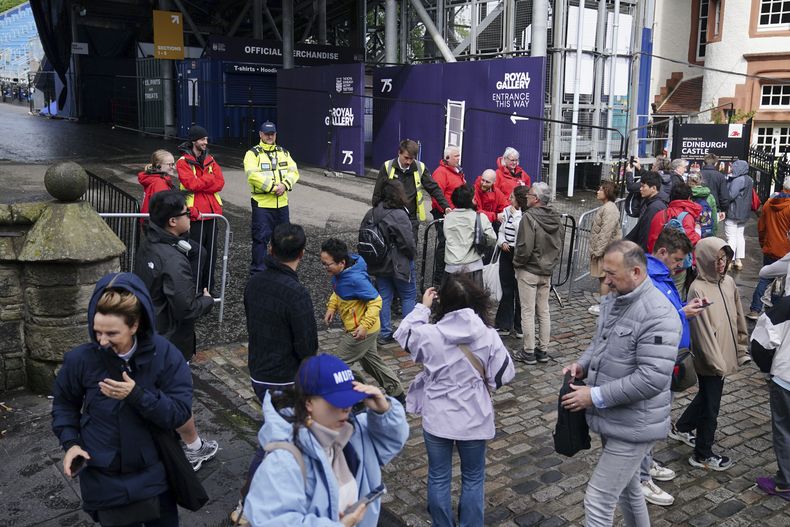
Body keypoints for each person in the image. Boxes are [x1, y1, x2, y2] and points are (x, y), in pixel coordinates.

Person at [52, 272, 193, 526]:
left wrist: (137, 395)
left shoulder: (165, 354)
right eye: (97, 332)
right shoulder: (81, 360)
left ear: (135, 325)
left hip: (153, 472)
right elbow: (64, 404)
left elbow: (180, 412)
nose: (102, 341)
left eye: (112, 334)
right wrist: (71, 443)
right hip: (103, 474)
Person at [561, 240, 681, 527]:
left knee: (598, 500)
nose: (605, 280)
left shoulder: (658, 314)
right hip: (616, 418)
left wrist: (595, 395)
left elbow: (652, 378)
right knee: (628, 492)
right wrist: (582, 364)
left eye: (612, 274)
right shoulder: (617, 298)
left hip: (634, 425)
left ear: (637, 272)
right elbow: (600, 343)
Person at [394, 274, 515, 527]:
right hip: (474, 417)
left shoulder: (429, 334)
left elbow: (403, 334)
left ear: (443, 303)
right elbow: (504, 374)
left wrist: (422, 307)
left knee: (438, 477)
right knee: (473, 477)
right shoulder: (488, 335)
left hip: (438, 417)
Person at [243, 354, 409, 526]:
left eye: (349, 399)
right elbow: (273, 521)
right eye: (336, 401)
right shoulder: (284, 460)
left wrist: (385, 411)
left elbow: (390, 443)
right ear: (308, 403)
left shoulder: (353, 432)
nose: (346, 408)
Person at [133, 191, 219, 471]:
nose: (191, 215)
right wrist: (206, 299)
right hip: (170, 339)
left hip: (151, 332)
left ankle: (158, 443)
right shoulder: (171, 258)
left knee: (155, 393)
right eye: (185, 213)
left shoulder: (150, 243)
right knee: (176, 397)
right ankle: (191, 450)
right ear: (172, 221)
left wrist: (196, 254)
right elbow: (186, 308)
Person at [640, 229, 708, 506]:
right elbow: (650, 322)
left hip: (668, 360)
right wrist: (682, 313)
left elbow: (665, 312)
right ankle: (640, 477)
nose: (680, 265)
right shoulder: (649, 280)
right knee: (648, 421)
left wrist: (682, 307)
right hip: (656, 362)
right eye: (677, 259)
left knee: (656, 420)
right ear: (663, 252)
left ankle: (646, 464)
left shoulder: (662, 277)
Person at [668, 237, 749, 470]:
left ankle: (682, 427)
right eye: (716, 259)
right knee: (711, 406)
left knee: (706, 397)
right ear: (705, 260)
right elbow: (702, 332)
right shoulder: (698, 288)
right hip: (711, 359)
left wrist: (741, 348)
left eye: (724, 258)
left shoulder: (729, 283)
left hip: (724, 354)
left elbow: (738, 317)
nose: (721, 264)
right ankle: (703, 453)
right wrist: (717, 364)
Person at [320, 238, 406, 403]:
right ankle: (398, 394)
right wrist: (332, 307)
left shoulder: (355, 279)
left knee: (338, 365)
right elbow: (338, 291)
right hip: (365, 329)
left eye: (327, 264)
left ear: (342, 263)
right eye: (323, 263)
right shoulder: (341, 274)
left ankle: (360, 394)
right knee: (371, 363)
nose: (325, 268)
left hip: (361, 331)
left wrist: (364, 326)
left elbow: (376, 301)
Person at [244, 223, 318, 399]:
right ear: (302, 253)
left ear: (270, 249)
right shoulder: (297, 294)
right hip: (286, 378)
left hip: (258, 371)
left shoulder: (254, 283)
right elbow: (307, 345)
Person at [512, 182, 563, 365]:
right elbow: (559, 244)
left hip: (530, 270)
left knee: (528, 311)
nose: (526, 196)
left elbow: (524, 247)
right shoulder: (555, 217)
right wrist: (550, 264)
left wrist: (517, 263)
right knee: (543, 311)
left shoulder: (529, 217)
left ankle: (529, 351)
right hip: (546, 270)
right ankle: (543, 350)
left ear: (536, 199)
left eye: (530, 194)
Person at [365, 180, 417, 345]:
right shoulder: (399, 214)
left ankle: (384, 333)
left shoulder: (372, 212)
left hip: (378, 261)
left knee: (384, 297)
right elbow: (407, 243)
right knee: (408, 295)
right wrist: (412, 256)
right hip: (398, 261)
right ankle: (407, 334)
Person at [244, 121, 300, 274]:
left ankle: (282, 271)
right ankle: (258, 273)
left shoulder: (283, 152)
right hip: (262, 204)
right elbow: (252, 175)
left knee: (284, 240)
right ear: (260, 134)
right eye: (267, 134)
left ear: (275, 135)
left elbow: (294, 172)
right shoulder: (252, 154)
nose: (269, 136)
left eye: (272, 134)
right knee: (260, 240)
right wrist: (273, 187)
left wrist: (285, 185)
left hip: (282, 204)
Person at [372, 139, 451, 243]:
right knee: (389, 248)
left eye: (412, 159)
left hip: (410, 218)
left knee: (410, 249)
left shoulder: (420, 168)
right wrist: (376, 215)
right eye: (406, 158)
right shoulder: (387, 167)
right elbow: (377, 193)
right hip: (389, 215)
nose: (408, 162)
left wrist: (446, 206)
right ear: (399, 153)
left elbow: (434, 188)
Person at [176, 124, 224, 292]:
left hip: (212, 214)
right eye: (203, 139)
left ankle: (208, 288)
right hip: (195, 215)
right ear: (194, 141)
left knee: (211, 255)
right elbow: (191, 184)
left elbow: (220, 183)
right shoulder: (182, 162)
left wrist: (203, 182)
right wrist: (209, 179)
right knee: (195, 254)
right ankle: (194, 289)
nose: (206, 142)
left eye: (206, 139)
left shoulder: (210, 159)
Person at [751, 295, 790, 499]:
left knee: (784, 430)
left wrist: (767, 368)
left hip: (786, 379)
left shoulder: (785, 306)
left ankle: (785, 483)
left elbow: (760, 343)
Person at [749, 176, 790, 319]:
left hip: (770, 248)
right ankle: (775, 312)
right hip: (786, 251)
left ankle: (755, 309)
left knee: (765, 279)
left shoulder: (769, 203)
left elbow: (761, 227)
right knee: (784, 284)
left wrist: (763, 243)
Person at [442, 185, 496, 287]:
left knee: (451, 301)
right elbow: (492, 239)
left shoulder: (448, 218)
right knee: (474, 300)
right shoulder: (480, 218)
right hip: (473, 266)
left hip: (451, 267)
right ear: (471, 200)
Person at [494, 186, 529, 338]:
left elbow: (521, 232)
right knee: (506, 289)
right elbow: (501, 230)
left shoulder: (525, 215)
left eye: (513, 197)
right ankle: (504, 324)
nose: (510, 199)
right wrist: (502, 242)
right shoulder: (507, 210)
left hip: (519, 253)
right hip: (506, 253)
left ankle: (519, 326)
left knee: (520, 291)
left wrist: (515, 216)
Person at [429, 146, 465, 286]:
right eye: (456, 156)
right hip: (446, 214)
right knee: (445, 245)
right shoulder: (441, 173)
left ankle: (449, 279)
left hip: (456, 215)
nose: (458, 158)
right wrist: (447, 211)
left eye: (458, 155)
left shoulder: (457, 172)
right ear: (447, 158)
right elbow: (437, 196)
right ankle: (439, 280)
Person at [588, 180, 622, 315]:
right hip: (606, 250)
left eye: (601, 189)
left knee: (604, 278)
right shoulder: (607, 207)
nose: (598, 192)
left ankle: (604, 305)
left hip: (606, 251)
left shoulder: (609, 209)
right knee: (604, 278)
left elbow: (605, 233)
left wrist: (597, 251)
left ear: (607, 192)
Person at [625, 171, 667, 251]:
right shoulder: (656, 204)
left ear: (653, 188)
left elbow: (645, 234)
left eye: (643, 186)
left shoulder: (654, 207)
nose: (640, 189)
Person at [724, 159, 753, 270]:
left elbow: (730, 195)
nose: (732, 169)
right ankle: (738, 260)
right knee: (740, 236)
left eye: (734, 167)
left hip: (733, 211)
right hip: (744, 212)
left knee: (731, 237)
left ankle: (729, 260)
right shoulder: (749, 179)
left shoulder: (737, 180)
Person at [138, 149, 177, 220]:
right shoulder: (159, 182)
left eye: (173, 164)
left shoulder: (154, 179)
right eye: (170, 164)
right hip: (157, 224)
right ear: (159, 166)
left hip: (150, 222)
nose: (173, 167)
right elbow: (163, 208)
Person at [687, 172, 718, 238]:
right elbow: (714, 216)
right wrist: (714, 232)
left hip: (689, 230)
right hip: (706, 231)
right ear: (701, 180)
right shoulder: (710, 196)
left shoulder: (686, 194)